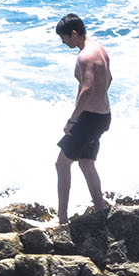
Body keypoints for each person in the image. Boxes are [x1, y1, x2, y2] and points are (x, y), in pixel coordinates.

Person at [53, 13, 113, 224]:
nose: (63, 42)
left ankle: (62, 219)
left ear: (74, 33)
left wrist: (72, 119)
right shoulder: (100, 50)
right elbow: (109, 79)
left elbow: (86, 90)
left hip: (89, 117)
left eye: (64, 38)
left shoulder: (85, 56)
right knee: (86, 162)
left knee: (62, 164)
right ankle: (100, 213)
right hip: (103, 115)